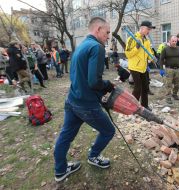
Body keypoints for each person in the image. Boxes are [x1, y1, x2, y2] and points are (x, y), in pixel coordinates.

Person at [54, 17, 115, 182]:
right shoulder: (97, 47)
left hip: (72, 100)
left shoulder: (81, 46)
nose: (108, 36)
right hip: (86, 104)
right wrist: (109, 85)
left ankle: (60, 171)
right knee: (109, 131)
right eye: (107, 32)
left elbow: (80, 76)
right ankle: (93, 156)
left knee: (65, 136)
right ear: (98, 30)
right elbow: (94, 82)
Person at [125, 20, 156, 111]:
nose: (149, 31)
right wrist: (136, 48)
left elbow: (149, 52)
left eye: (150, 29)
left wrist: (152, 58)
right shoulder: (132, 38)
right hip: (134, 67)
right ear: (142, 28)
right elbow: (128, 54)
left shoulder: (146, 40)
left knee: (145, 87)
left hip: (143, 67)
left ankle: (144, 105)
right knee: (137, 87)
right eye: (148, 29)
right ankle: (132, 107)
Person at [160, 35, 179, 104]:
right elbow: (161, 59)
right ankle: (168, 97)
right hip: (169, 69)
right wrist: (161, 69)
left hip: (178, 69)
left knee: (177, 84)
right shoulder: (165, 49)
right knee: (169, 84)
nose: (174, 42)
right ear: (169, 41)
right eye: (173, 41)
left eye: (175, 41)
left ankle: (175, 94)